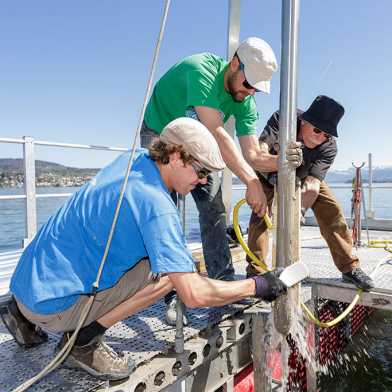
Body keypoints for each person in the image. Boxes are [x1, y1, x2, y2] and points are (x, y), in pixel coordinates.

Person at [2, 118, 287, 381]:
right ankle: (82, 343)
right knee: (169, 275)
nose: (202, 181)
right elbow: (194, 294)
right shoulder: (157, 207)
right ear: (175, 156)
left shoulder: (133, 160)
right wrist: (257, 285)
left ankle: (19, 314)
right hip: (53, 308)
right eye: (200, 172)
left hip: (26, 286)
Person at [141, 37, 278, 323]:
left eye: (255, 88)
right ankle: (172, 292)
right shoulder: (200, 69)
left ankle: (223, 284)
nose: (249, 92)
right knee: (167, 211)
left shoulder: (244, 100)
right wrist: (252, 182)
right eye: (248, 83)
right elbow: (215, 131)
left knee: (213, 207)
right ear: (235, 64)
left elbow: (252, 153)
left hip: (199, 143)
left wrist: (285, 162)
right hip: (161, 133)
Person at [246, 95, 375, 290]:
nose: (321, 137)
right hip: (267, 173)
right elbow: (259, 152)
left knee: (331, 210)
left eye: (327, 134)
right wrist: (275, 164)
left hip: (303, 177)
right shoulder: (282, 119)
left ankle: (349, 267)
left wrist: (300, 212)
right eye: (317, 130)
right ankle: (256, 274)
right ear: (304, 120)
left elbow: (313, 185)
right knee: (259, 216)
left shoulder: (329, 147)